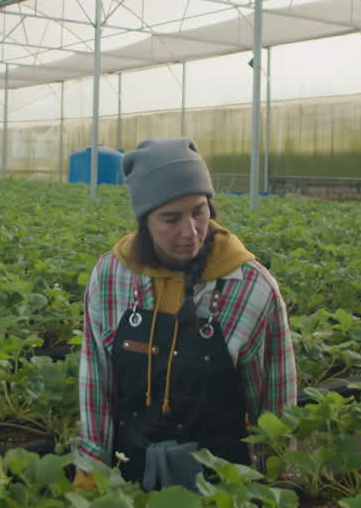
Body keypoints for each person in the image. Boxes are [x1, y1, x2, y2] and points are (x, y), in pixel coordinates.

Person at [74, 138, 296, 491]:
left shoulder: (251, 287)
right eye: (170, 218)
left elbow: (273, 399)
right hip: (129, 474)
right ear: (144, 219)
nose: (190, 231)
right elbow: (97, 383)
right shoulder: (111, 275)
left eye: (198, 211)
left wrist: (278, 475)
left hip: (222, 482)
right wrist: (91, 464)